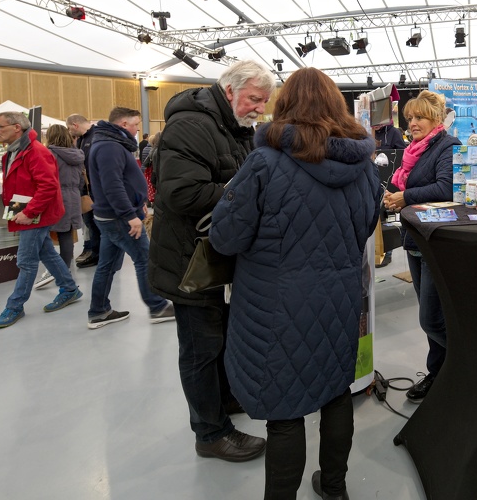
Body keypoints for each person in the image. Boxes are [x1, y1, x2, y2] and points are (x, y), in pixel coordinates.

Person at [210, 67, 380, 500]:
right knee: (336, 393)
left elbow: (225, 237)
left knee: (285, 412)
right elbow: (364, 229)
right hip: (340, 300)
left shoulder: (265, 162)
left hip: (275, 308)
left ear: (285, 104)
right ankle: (335, 487)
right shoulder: (363, 167)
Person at [148, 60, 274, 463]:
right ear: (229, 89)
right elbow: (183, 194)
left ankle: (225, 402)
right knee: (201, 349)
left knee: (220, 341)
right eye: (254, 99)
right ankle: (210, 433)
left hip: (217, 258)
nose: (259, 108)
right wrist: (249, 197)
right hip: (190, 264)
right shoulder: (191, 126)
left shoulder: (234, 128)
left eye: (263, 102)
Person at [383, 90, 460, 402]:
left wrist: (404, 198)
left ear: (435, 118)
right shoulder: (413, 149)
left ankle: (465, 363)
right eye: (410, 118)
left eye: (419, 117)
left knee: (430, 318)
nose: (412, 123)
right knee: (432, 316)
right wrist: (391, 196)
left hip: (435, 240)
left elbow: (446, 187)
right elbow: (402, 184)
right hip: (413, 236)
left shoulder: (448, 146)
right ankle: (439, 374)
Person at [0, 112, 84, 329]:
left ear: (16, 128)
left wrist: (29, 213)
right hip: (26, 211)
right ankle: (70, 289)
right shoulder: (13, 153)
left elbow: (49, 187)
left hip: (36, 214)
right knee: (45, 252)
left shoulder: (36, 152)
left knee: (26, 260)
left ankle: (14, 306)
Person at [86, 106, 175, 329]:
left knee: (106, 265)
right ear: (124, 124)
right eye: (135, 124)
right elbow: (112, 185)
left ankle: (99, 311)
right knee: (144, 258)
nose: (137, 129)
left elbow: (121, 182)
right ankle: (157, 307)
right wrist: (130, 215)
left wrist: (138, 204)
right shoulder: (109, 147)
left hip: (112, 216)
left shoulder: (107, 144)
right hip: (119, 218)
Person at [33, 124, 85, 290]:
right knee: (66, 234)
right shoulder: (77, 154)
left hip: (55, 197)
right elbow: (82, 180)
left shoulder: (48, 154)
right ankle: (64, 268)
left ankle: (57, 269)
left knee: (44, 233)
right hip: (74, 196)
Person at [66, 114, 100, 268]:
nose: (69, 131)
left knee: (95, 223)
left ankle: (98, 253)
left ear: (75, 125)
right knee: (89, 222)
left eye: (69, 128)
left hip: (94, 190)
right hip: (85, 189)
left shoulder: (96, 137)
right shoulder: (80, 140)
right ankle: (93, 250)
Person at [372, 121, 406, 267]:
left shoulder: (393, 133)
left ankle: (388, 251)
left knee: (388, 215)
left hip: (389, 178)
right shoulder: (366, 130)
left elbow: (401, 156)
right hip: (373, 179)